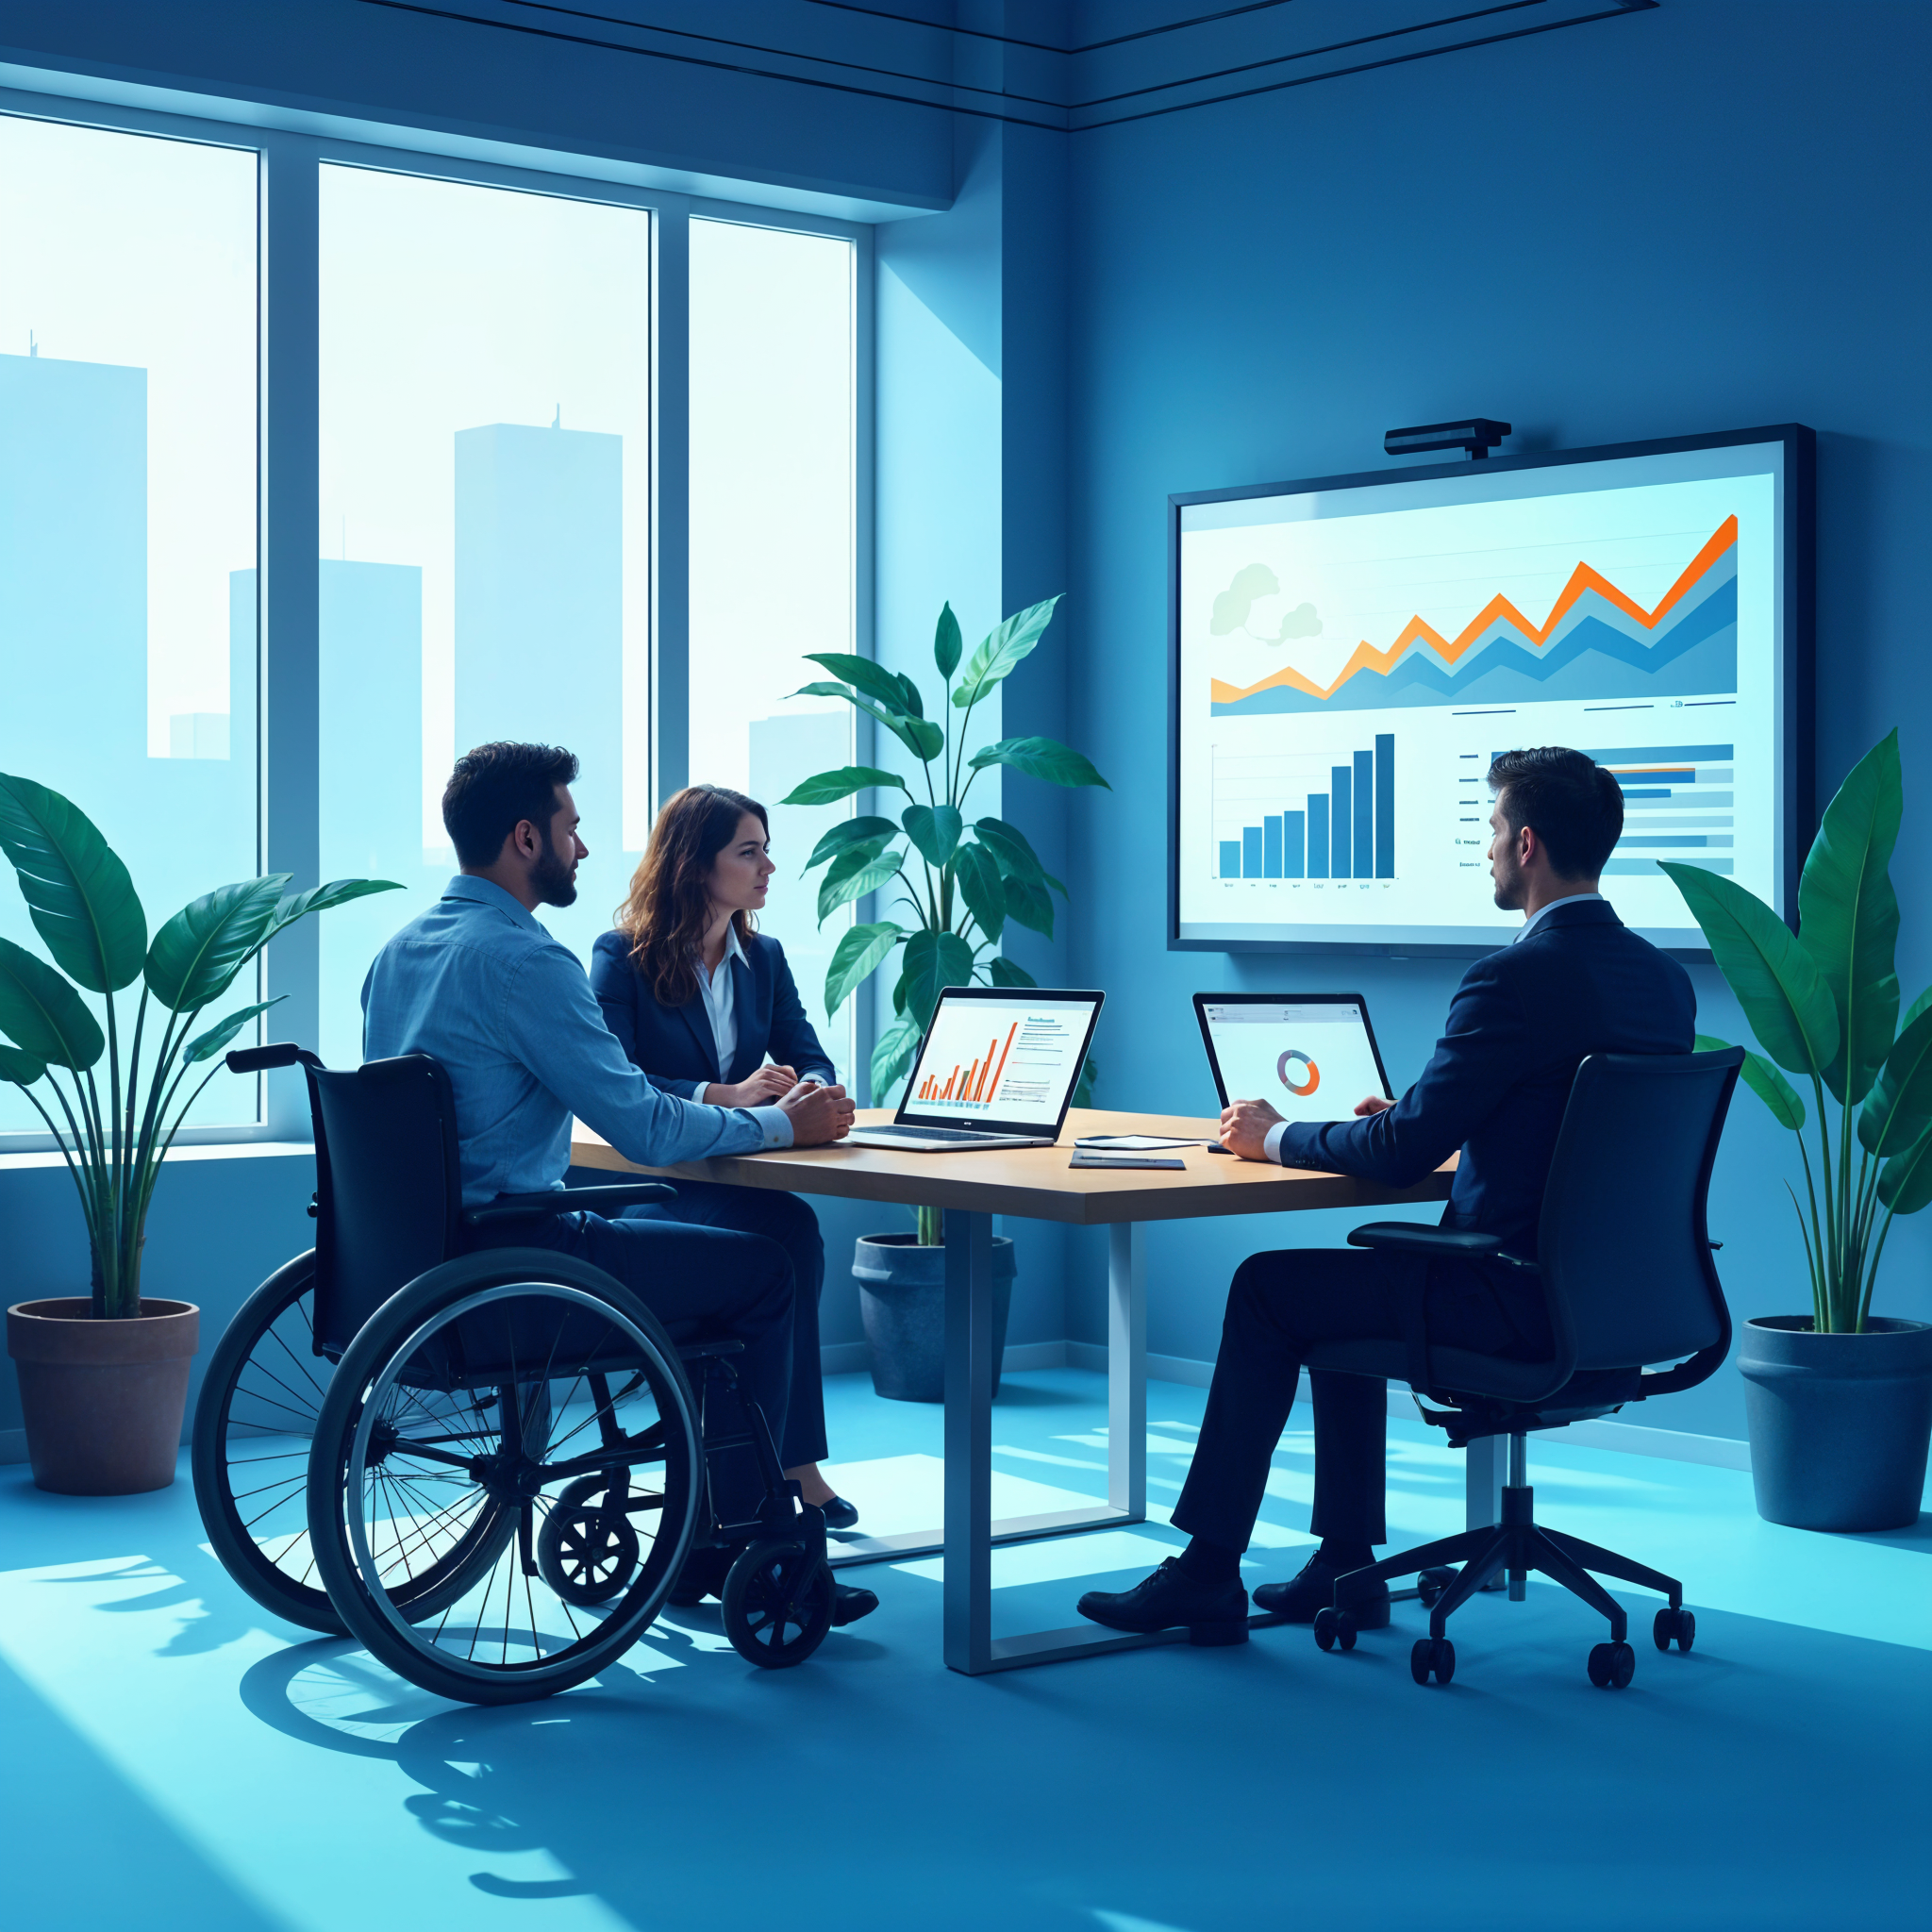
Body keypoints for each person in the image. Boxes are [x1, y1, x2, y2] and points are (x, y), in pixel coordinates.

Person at [1077, 746, 1696, 1643]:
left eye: (1489, 830)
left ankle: (1210, 1572)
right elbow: (1554, 1112)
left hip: (1511, 1302)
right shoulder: (1661, 981)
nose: (1485, 849)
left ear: (1526, 844)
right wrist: (1423, 1107)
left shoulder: (1512, 978)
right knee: (1338, 1292)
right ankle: (1347, 1566)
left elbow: (1405, 1153)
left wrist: (1276, 1136)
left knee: (1270, 1288)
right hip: (1619, 1308)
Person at [360, 741, 876, 1623]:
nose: (585, 849)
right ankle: (737, 1531)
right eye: (572, 828)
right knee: (767, 1266)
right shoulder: (532, 962)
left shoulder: (399, 952)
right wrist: (779, 1123)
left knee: (759, 1239)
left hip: (415, 1260)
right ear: (527, 838)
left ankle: (717, 1501)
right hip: (522, 1254)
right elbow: (639, 1120)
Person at [590, 785, 858, 1529]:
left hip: (716, 1177)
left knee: (790, 1226)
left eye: (766, 849)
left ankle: (787, 1462)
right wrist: (724, 1093)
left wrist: (811, 1093)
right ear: (694, 864)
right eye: (749, 851)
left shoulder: (763, 958)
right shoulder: (622, 956)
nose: (769, 866)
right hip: (640, 1183)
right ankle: (769, 1468)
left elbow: (812, 1056)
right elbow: (616, 1082)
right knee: (785, 1232)